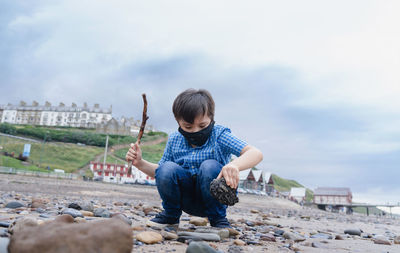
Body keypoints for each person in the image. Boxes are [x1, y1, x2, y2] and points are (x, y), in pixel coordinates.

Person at [126, 89, 263, 228]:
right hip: (186, 200)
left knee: (209, 166)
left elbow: (255, 153)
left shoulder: (219, 135)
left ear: (211, 118)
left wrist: (235, 165)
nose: (195, 131)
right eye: (188, 127)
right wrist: (140, 163)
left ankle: (218, 220)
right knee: (166, 166)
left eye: (202, 125)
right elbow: (161, 172)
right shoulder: (174, 139)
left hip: (215, 197)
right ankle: (170, 216)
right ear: (178, 121)